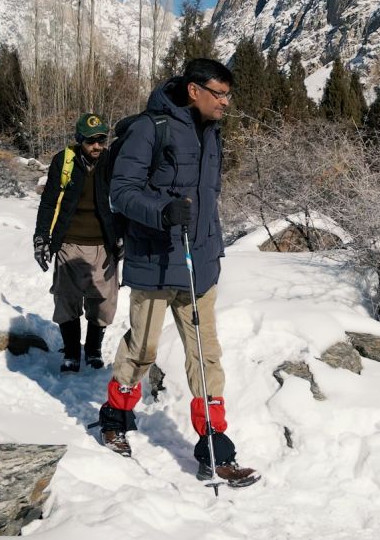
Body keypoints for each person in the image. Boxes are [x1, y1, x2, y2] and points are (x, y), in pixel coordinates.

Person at [96, 58, 258, 487]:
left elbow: (208, 197)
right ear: (193, 90)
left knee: (206, 357)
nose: (226, 102)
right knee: (143, 350)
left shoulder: (212, 132)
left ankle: (215, 448)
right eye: (218, 94)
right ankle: (115, 417)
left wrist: (214, 248)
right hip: (154, 261)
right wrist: (162, 211)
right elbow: (122, 192)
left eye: (228, 94)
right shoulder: (151, 128)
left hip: (198, 263)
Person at [33, 113, 121, 374]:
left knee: (103, 302)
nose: (97, 146)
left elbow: (123, 200)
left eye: (101, 140)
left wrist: (123, 236)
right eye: (91, 141)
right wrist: (41, 238)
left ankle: (92, 349)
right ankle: (72, 352)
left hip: (104, 245)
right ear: (79, 140)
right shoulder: (64, 162)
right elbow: (48, 202)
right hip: (69, 243)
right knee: (67, 300)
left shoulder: (110, 161)